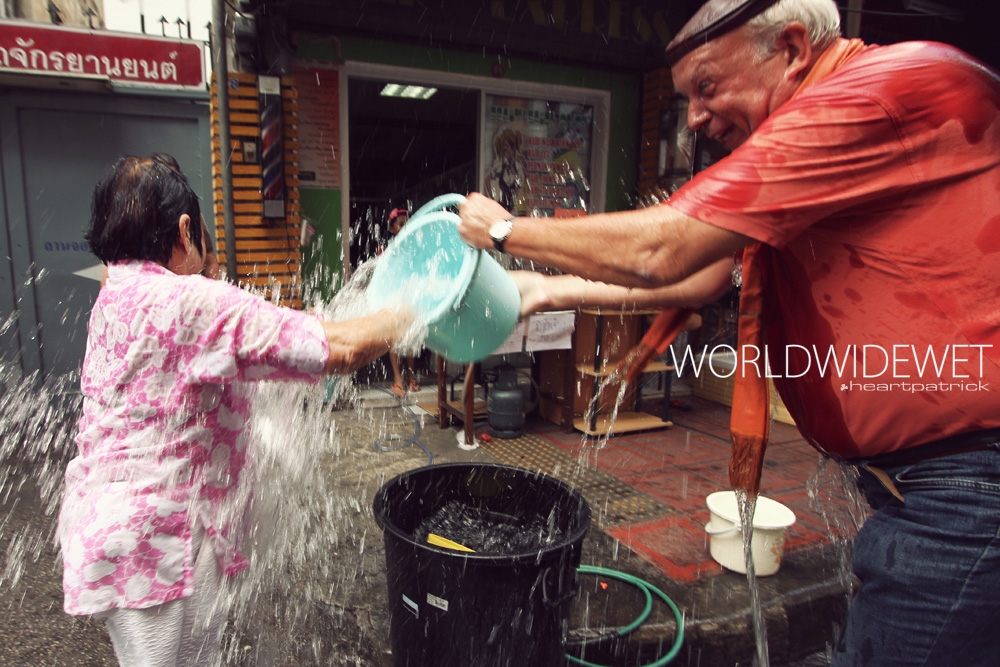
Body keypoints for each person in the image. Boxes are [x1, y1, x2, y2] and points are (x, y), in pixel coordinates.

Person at [458, 0, 1000, 664]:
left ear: (793, 47)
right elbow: (705, 275)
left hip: (970, 482)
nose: (694, 117)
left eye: (707, 87)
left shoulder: (879, 92)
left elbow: (671, 247)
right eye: (685, 97)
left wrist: (507, 230)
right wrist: (544, 287)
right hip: (928, 486)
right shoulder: (829, 120)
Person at [58, 156, 410, 667]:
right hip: (160, 543)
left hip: (107, 530)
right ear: (184, 230)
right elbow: (343, 349)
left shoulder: (114, 291)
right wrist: (414, 307)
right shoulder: (187, 300)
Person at [386, 206, 421, 397]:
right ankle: (398, 379)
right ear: (392, 229)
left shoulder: (413, 249)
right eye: (400, 224)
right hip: (393, 298)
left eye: (407, 224)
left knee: (411, 338)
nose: (404, 228)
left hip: (410, 297)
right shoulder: (388, 250)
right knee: (395, 339)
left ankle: (411, 376)